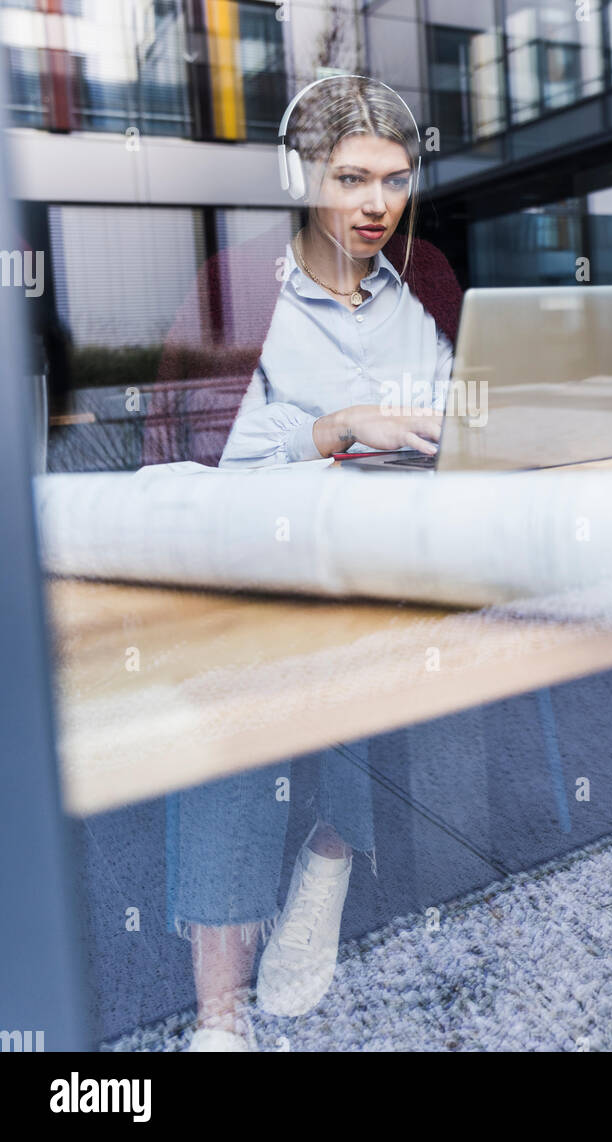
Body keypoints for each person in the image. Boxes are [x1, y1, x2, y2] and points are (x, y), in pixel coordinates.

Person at [144, 75, 463, 1050]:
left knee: (392, 634)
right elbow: (200, 443)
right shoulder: (238, 283)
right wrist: (331, 427)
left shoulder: (427, 279)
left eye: (395, 180)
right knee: (239, 686)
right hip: (246, 551)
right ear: (301, 176)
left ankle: (327, 856)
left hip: (389, 544)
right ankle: (219, 1011)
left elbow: (465, 404)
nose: (376, 204)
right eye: (351, 178)